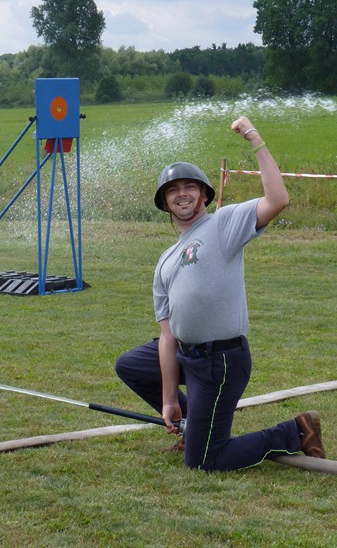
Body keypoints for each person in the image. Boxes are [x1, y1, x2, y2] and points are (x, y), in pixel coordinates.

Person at [115, 115, 325, 471]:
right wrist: (169, 400)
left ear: (204, 195)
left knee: (203, 461)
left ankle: (295, 431)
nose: (182, 194)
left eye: (190, 187)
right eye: (172, 190)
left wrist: (253, 137)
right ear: (164, 203)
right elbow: (167, 337)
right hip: (187, 355)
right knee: (130, 365)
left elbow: (278, 199)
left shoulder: (223, 224)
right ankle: (191, 424)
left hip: (221, 361)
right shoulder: (164, 261)